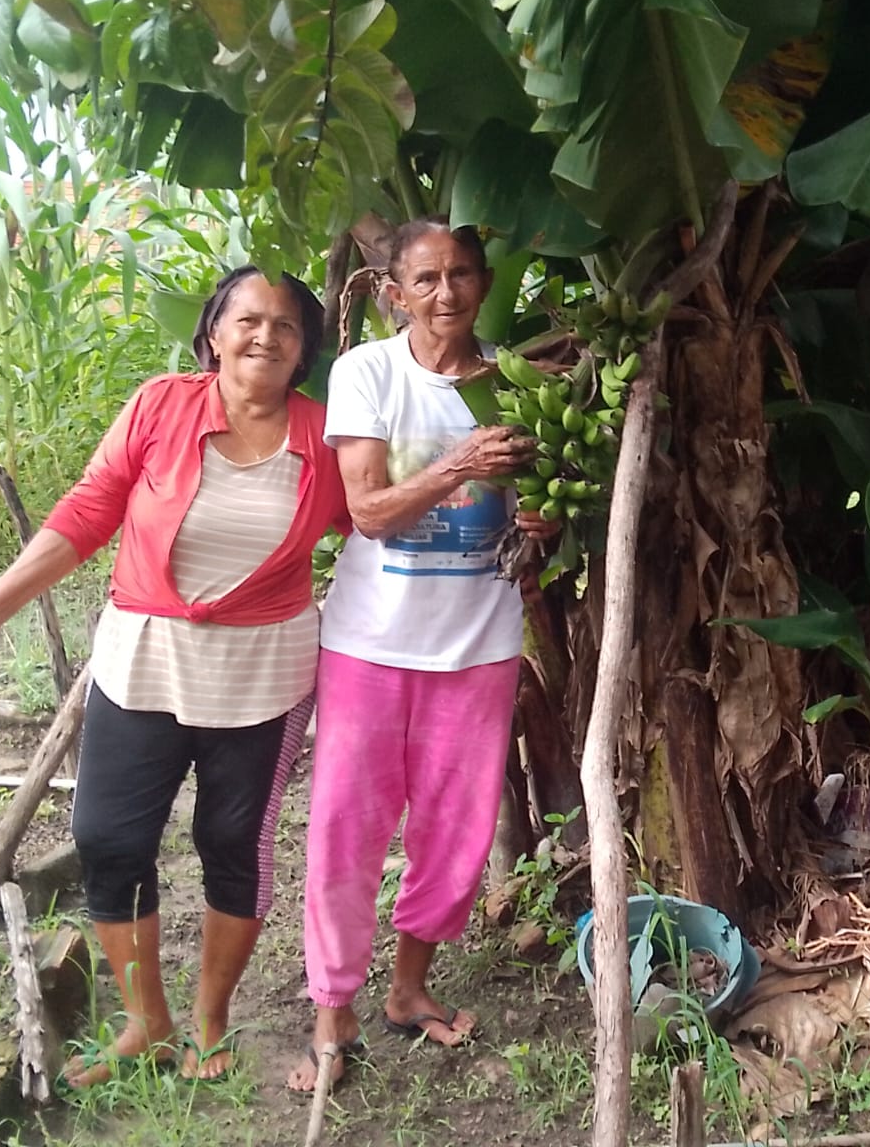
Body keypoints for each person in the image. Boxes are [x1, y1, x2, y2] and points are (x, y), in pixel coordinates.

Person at [0, 266, 347, 1085]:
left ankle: (208, 1024)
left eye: (286, 327)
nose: (264, 336)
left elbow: (377, 520)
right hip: (143, 660)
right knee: (107, 840)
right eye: (247, 319)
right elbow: (87, 512)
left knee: (233, 844)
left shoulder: (324, 442)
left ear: (306, 351)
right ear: (214, 332)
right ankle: (144, 1022)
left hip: (261, 675)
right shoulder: (160, 406)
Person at [285, 220, 556, 1092]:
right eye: (427, 279)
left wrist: (541, 524)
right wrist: (457, 464)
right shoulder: (368, 372)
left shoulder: (515, 382)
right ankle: (333, 1006)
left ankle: (407, 988)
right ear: (395, 292)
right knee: (345, 829)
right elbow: (365, 511)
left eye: (464, 274)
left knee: (457, 835)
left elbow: (532, 516)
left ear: (484, 281)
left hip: (479, 645)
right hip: (370, 643)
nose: (448, 293)